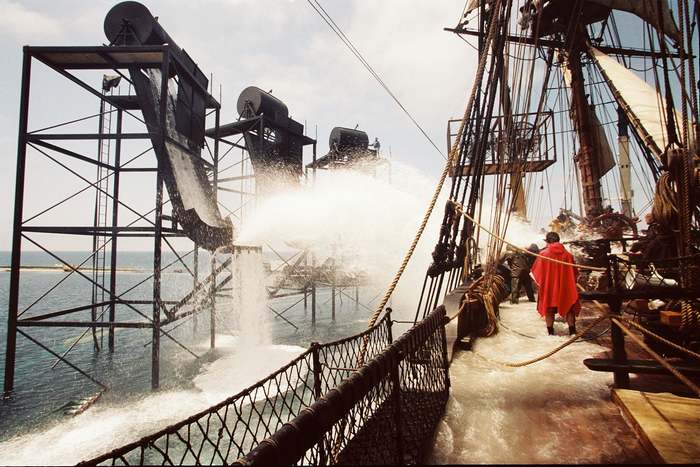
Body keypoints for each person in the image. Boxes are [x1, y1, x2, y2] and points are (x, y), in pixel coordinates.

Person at [530, 231, 581, 335]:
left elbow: (535, 273)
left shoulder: (543, 254)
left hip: (549, 288)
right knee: (569, 309)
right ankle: (572, 333)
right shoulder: (568, 255)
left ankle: (551, 333)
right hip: (566, 287)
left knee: (549, 309)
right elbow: (575, 273)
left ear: (548, 241)